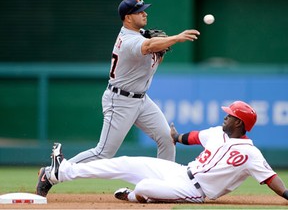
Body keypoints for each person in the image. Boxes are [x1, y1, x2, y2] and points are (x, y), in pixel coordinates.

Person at [36, 100, 288, 203]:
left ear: (239, 123)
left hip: (195, 191)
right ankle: (62, 172)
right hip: (178, 172)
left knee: (144, 186)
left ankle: (136, 197)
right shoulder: (216, 133)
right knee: (124, 162)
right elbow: (190, 138)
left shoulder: (251, 153)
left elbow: (270, 179)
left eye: (230, 115)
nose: (225, 116)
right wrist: (176, 136)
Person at [66, 0, 200, 163]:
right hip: (120, 100)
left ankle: (164, 185)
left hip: (141, 100)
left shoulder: (141, 34)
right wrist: (176, 38)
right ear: (128, 17)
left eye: (144, 10)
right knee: (103, 153)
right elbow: (148, 46)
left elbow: (151, 56)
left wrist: (161, 51)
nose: (144, 13)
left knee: (167, 138)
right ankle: (54, 172)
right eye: (139, 11)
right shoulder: (129, 40)